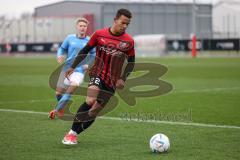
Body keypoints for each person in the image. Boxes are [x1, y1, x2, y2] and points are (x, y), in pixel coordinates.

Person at [62, 8, 135, 145]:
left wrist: (122, 78)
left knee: (94, 112)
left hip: (112, 81)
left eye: (127, 24)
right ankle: (71, 133)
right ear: (115, 20)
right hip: (97, 73)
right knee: (90, 100)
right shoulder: (99, 34)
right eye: (123, 22)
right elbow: (85, 50)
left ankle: (74, 134)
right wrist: (73, 66)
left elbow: (131, 62)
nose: (124, 26)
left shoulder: (129, 41)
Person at [49, 17, 95, 119]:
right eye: (80, 26)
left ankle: (56, 110)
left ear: (87, 28)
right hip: (67, 69)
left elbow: (94, 54)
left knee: (70, 90)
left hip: (79, 71)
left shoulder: (89, 41)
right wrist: (59, 55)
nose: (82, 28)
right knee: (58, 93)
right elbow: (62, 48)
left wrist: (89, 65)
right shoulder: (70, 38)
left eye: (84, 26)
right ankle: (61, 108)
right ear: (77, 27)